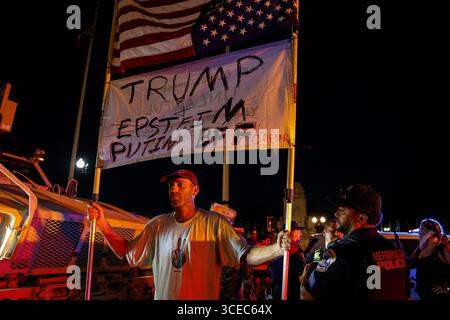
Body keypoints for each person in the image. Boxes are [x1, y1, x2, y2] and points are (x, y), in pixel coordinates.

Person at [88, 169, 297, 300]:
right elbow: (126, 252)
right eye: (171, 186)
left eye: (180, 185)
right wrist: (103, 223)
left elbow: (246, 255)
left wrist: (277, 248)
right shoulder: (157, 225)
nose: (174, 190)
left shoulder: (214, 223)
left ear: (195, 190)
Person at [300, 184, 409, 300]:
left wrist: (305, 277)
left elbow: (307, 296)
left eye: (342, 211)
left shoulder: (340, 253)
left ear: (361, 218)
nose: (336, 214)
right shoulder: (396, 252)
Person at [409, 218, 450, 300]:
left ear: (430, 232)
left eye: (422, 228)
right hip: (422, 295)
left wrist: (448, 289)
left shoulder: (443, 248)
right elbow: (409, 264)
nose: (420, 231)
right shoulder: (420, 249)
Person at [269, 221, 305, 300]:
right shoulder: (282, 251)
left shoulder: (298, 251)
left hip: (294, 292)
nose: (301, 235)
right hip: (283, 292)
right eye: (298, 232)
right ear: (291, 233)